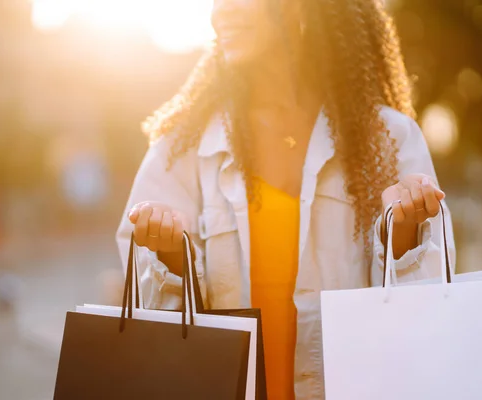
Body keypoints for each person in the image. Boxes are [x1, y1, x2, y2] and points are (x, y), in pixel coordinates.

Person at [117, 0, 456, 398]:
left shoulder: (390, 139)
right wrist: (170, 259)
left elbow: (427, 312)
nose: (220, 12)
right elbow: (147, 319)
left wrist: (405, 236)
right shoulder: (183, 147)